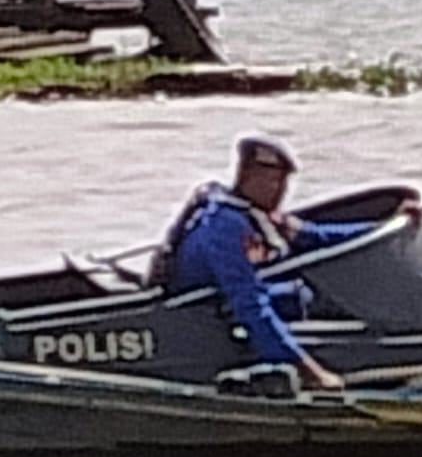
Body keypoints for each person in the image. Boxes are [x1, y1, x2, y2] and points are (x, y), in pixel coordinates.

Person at [154, 133, 381, 391]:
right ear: (246, 175)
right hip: (201, 320)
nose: (281, 191)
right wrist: (308, 369)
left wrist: (382, 226)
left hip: (225, 309)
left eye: (284, 182)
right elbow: (249, 304)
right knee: (294, 298)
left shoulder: (258, 216)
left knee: (304, 293)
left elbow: (314, 236)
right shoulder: (226, 226)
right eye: (273, 181)